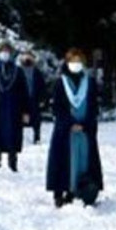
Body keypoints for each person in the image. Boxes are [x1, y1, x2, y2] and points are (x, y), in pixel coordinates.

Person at [46, 49, 103, 207]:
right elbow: (57, 107)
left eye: (79, 61)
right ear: (67, 62)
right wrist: (70, 123)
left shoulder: (89, 83)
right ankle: (60, 192)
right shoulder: (60, 83)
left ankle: (80, 190)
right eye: (73, 61)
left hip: (84, 130)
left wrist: (85, 124)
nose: (75, 64)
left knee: (83, 160)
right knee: (63, 160)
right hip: (66, 130)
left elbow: (93, 106)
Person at [0, 41, 29, 172]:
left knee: (13, 135)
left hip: (13, 108)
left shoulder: (18, 71)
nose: (5, 54)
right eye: (2, 51)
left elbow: (24, 92)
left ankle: (13, 162)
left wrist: (25, 111)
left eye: (7, 51)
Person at [18, 50, 48, 145]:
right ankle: (18, 137)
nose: (27, 59)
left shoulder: (37, 72)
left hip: (34, 99)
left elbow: (42, 86)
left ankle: (37, 137)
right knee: (19, 119)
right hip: (21, 99)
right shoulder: (18, 71)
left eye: (29, 57)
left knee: (36, 119)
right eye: (25, 57)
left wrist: (43, 99)